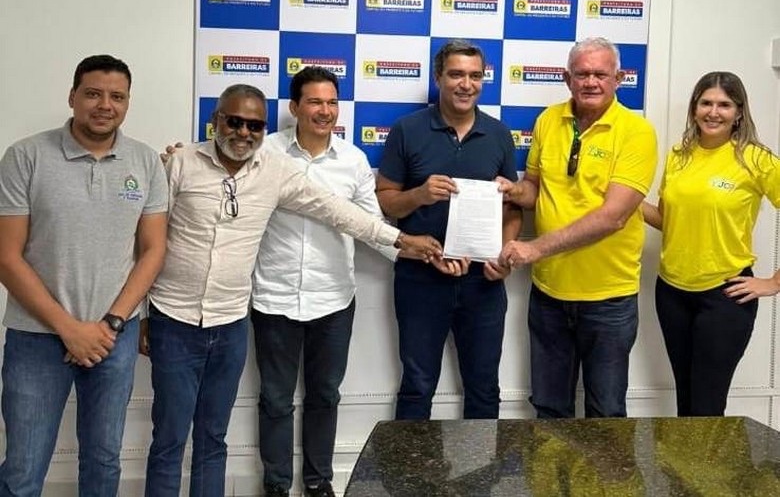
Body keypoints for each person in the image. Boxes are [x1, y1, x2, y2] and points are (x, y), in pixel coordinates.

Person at [143, 83, 440, 497]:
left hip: (244, 317)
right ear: (216, 121)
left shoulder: (277, 169)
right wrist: (141, 312)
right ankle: (275, 484)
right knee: (173, 436)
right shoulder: (182, 163)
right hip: (188, 315)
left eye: (254, 125)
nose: (243, 132)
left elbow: (340, 212)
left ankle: (316, 481)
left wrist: (401, 241)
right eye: (234, 122)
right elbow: (147, 241)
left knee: (215, 437)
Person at [0, 55, 168, 496]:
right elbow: (6, 257)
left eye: (117, 96)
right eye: (93, 94)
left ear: (127, 103)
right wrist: (69, 329)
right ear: (72, 96)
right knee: (23, 467)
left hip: (114, 336)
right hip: (36, 337)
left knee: (103, 461)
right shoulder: (25, 157)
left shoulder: (146, 162)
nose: (105, 105)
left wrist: (111, 322)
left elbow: (153, 250)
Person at [251, 67, 404, 497]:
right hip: (273, 297)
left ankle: (319, 482)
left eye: (332, 102)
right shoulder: (265, 152)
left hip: (334, 300)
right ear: (295, 107)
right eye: (315, 102)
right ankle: (276, 485)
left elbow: (372, 227)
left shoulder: (352, 160)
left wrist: (414, 253)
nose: (325, 111)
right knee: (275, 399)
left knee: (325, 395)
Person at [498, 37, 658, 418]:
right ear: (567, 78)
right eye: (582, 74)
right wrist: (512, 190)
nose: (591, 82)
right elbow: (534, 187)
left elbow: (613, 216)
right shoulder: (548, 120)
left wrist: (534, 249)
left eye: (600, 74)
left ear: (619, 78)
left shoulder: (636, 132)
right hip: (549, 294)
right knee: (550, 410)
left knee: (606, 414)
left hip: (608, 298)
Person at [376, 39, 523, 421]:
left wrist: (504, 254)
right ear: (438, 77)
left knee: (484, 387)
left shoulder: (499, 134)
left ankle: (479, 465)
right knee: (417, 385)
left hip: (483, 282)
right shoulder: (407, 130)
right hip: (421, 278)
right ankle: (410, 464)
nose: (466, 84)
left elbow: (512, 207)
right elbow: (386, 201)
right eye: (456, 74)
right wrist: (420, 195)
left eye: (475, 76)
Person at [642, 71, 780, 416]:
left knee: (706, 407)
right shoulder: (679, 155)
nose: (713, 112)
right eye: (706, 103)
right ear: (694, 108)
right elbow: (668, 220)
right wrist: (622, 199)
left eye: (724, 105)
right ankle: (685, 457)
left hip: (725, 296)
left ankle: (713, 456)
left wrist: (774, 282)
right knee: (686, 403)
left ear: (739, 112)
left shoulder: (755, 159)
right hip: (671, 292)